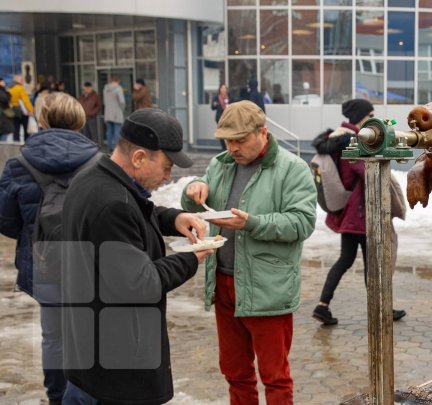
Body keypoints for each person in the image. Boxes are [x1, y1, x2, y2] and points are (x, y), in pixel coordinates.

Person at [60, 108, 214, 404]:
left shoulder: (94, 179)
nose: (170, 175)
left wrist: (173, 218)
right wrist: (192, 258)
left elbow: (136, 216)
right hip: (116, 373)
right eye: (167, 166)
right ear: (139, 157)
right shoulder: (113, 202)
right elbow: (140, 283)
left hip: (89, 357)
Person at [181, 100, 316, 405]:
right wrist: (193, 188)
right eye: (228, 140)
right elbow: (196, 206)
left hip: (268, 289)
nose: (233, 148)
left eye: (240, 140)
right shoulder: (220, 164)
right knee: (235, 371)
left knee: (275, 376)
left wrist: (251, 223)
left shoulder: (292, 169)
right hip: (224, 285)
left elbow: (302, 222)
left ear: (262, 133)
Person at [0, 92, 100, 405]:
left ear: (43, 120)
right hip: (90, 263)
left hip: (43, 263)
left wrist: (34, 235)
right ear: (80, 121)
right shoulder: (99, 162)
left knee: (54, 336)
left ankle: (57, 396)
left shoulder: (19, 163)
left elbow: (5, 220)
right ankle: (86, 395)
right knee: (89, 333)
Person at [311, 98, 406, 325]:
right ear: (363, 117)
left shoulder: (337, 137)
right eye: (371, 115)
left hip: (350, 212)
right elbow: (366, 172)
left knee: (346, 259)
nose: (373, 120)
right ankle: (381, 309)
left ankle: (323, 306)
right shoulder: (352, 141)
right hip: (360, 213)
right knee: (372, 262)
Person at [103, 76, 125, 152]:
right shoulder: (118, 88)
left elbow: (104, 101)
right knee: (117, 131)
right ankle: (117, 149)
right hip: (116, 113)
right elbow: (122, 101)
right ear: (118, 81)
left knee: (109, 131)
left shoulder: (106, 88)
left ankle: (109, 148)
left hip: (108, 113)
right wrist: (122, 109)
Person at [8, 74, 33, 142]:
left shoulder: (9, 88)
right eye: (21, 79)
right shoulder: (20, 88)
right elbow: (26, 101)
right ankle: (26, 144)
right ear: (17, 80)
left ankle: (16, 143)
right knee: (26, 130)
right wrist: (31, 110)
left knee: (16, 129)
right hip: (22, 112)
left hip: (13, 111)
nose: (22, 81)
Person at [211, 83, 231, 150]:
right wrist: (215, 105)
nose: (223, 90)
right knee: (222, 134)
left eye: (225, 88)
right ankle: (224, 149)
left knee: (228, 133)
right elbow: (212, 107)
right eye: (222, 88)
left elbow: (235, 102)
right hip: (220, 118)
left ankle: (229, 148)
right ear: (220, 89)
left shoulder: (229, 96)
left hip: (228, 118)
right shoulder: (217, 97)